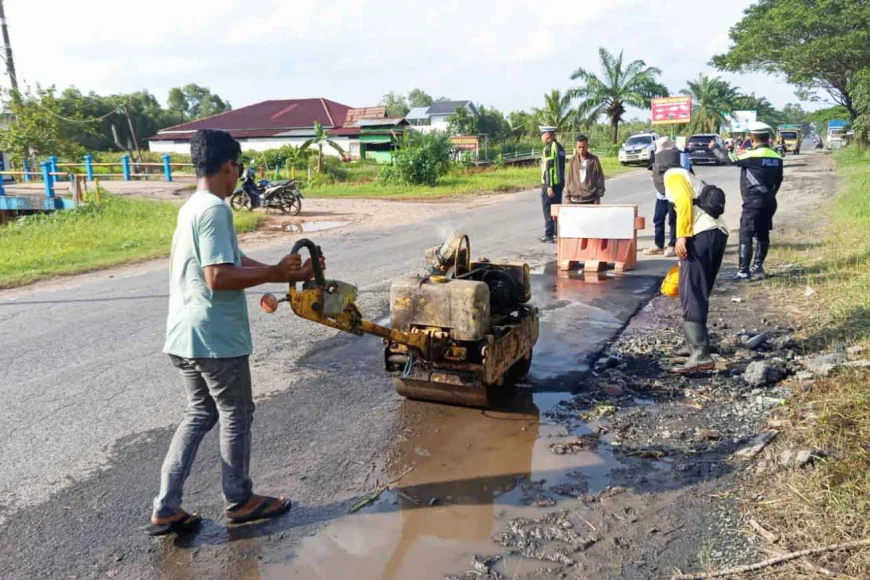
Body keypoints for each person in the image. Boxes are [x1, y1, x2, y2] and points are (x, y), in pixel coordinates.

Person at [148, 129, 324, 536]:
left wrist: (283, 272)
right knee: (236, 413)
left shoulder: (192, 207)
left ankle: (166, 506)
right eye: (238, 168)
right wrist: (274, 273)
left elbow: (233, 259)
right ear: (229, 165)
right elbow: (218, 276)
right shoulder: (215, 210)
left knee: (200, 413)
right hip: (215, 340)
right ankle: (240, 499)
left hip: (185, 335)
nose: (238, 175)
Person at [663, 158, 729, 374]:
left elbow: (683, 201)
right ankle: (694, 345)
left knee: (691, 292)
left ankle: (700, 355)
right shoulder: (689, 177)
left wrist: (682, 235)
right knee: (699, 290)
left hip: (699, 234)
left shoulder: (672, 175)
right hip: (716, 233)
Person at [710, 121, 783, 280]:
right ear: (768, 138)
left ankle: (744, 271)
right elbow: (779, 181)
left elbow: (726, 158)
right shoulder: (777, 157)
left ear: (751, 138)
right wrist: (769, 195)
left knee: (746, 234)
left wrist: (714, 147)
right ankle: (758, 268)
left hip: (753, 202)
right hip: (770, 201)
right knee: (763, 234)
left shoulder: (750, 155)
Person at [644, 136, 680, 257]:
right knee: (658, 219)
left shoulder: (678, 157)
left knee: (673, 220)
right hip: (661, 195)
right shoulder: (658, 158)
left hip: (674, 194)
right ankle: (659, 245)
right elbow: (654, 170)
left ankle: (672, 246)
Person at [538, 126, 566, 243]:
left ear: (548, 135)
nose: (541, 137)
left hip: (550, 184)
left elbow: (549, 168)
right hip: (559, 184)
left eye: (542, 134)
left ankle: (549, 234)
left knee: (548, 209)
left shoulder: (549, 148)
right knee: (556, 209)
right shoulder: (560, 147)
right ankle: (556, 233)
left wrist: (548, 186)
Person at [564, 134, 605, 205]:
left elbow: (599, 178)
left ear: (587, 146)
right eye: (579, 147)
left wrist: (598, 196)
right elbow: (569, 178)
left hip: (590, 199)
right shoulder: (572, 160)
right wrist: (567, 196)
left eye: (583, 147)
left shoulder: (593, 160)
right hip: (574, 200)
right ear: (576, 147)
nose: (581, 149)